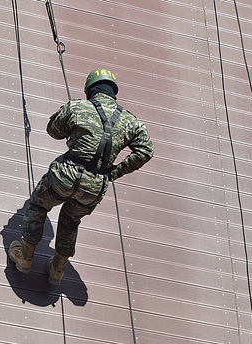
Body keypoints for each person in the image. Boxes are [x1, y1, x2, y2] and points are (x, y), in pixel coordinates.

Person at [8, 68, 154, 285]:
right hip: (94, 186)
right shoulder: (130, 122)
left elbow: (53, 131)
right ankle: (57, 269)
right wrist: (116, 171)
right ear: (113, 92)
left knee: (39, 206)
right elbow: (146, 151)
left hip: (66, 175)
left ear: (90, 90)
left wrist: (73, 125)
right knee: (71, 220)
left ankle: (26, 257)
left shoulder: (79, 107)